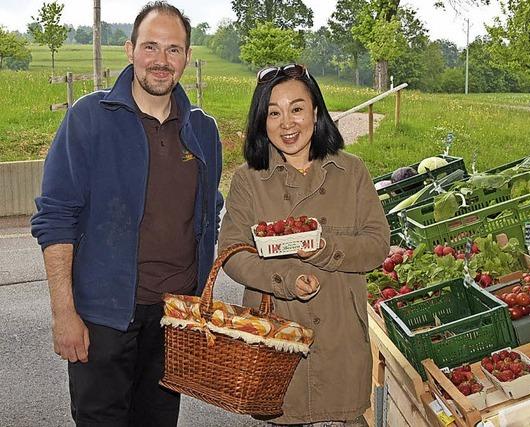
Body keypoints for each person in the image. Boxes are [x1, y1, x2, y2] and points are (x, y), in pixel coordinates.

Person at [30, 2, 224, 425]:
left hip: (174, 319)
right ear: (129, 49)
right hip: (103, 319)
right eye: (151, 46)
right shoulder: (89, 118)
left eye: (174, 50)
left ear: (187, 58)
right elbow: (55, 218)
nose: (161, 60)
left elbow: (210, 210)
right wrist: (64, 313)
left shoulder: (203, 130)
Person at [218, 64, 390, 426]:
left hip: (341, 339)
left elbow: (377, 245)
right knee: (285, 413)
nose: (287, 123)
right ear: (261, 121)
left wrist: (326, 249)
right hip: (278, 340)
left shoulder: (352, 171)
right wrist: (285, 278)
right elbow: (232, 252)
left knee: (347, 414)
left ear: (315, 112)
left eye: (297, 108)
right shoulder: (249, 180)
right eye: (273, 113)